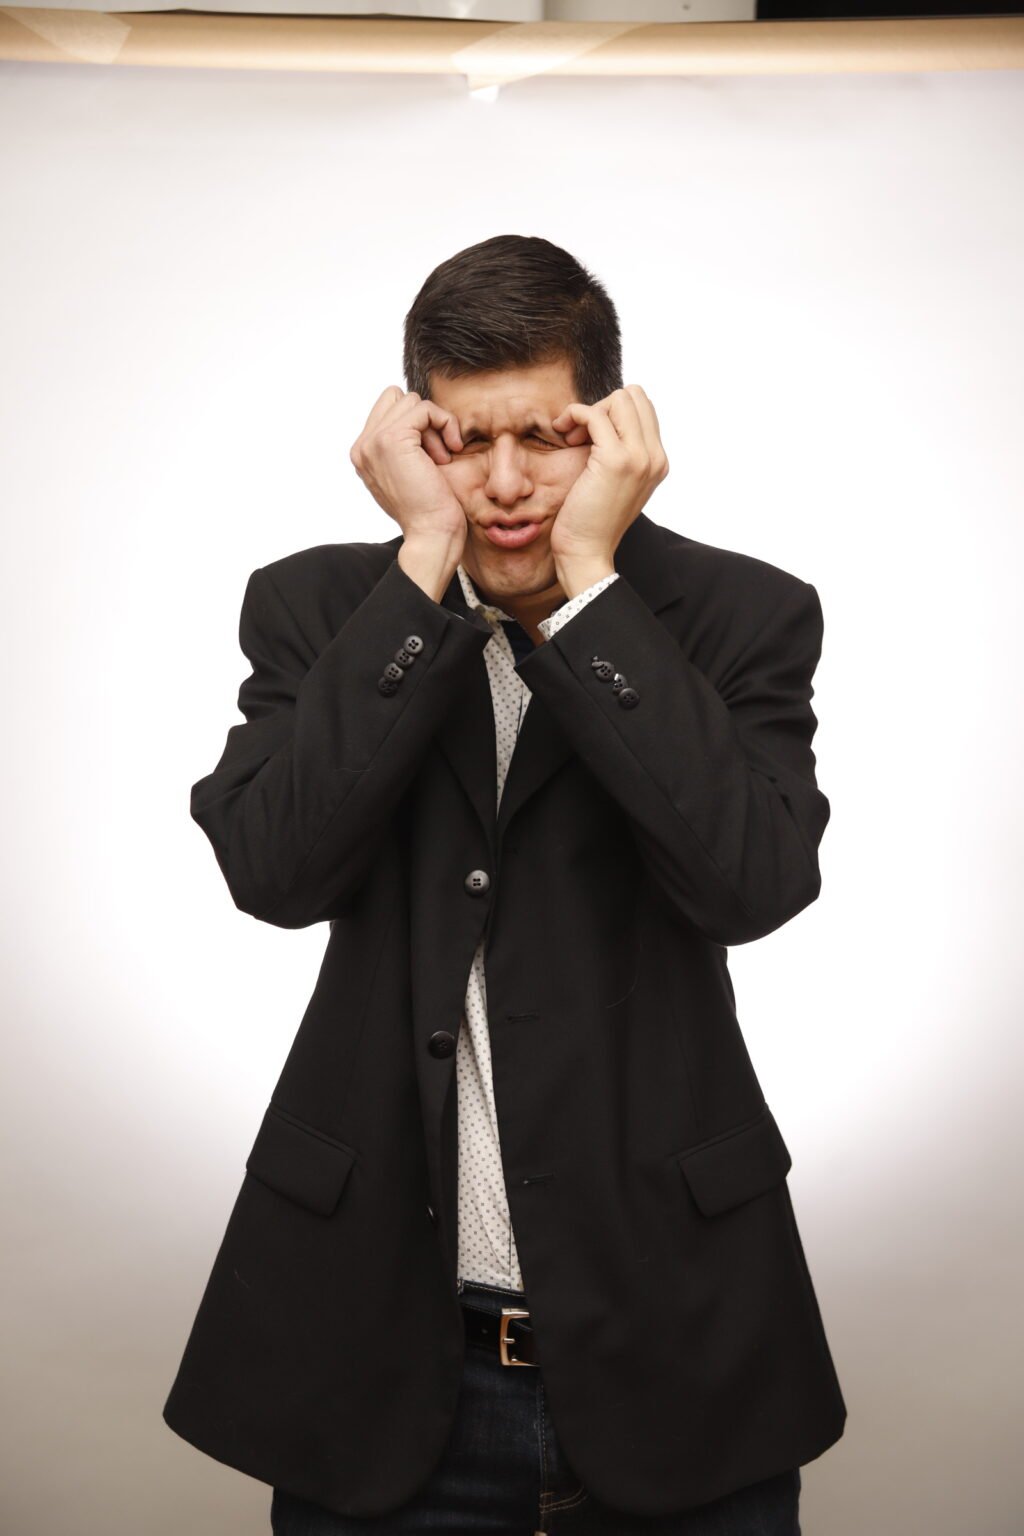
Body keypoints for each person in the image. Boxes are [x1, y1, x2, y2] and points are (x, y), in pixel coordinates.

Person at [163, 234, 846, 1535]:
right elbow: (276, 869)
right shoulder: (322, 611)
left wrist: (589, 590)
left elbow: (751, 883)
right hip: (378, 1358)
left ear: (615, 431)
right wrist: (422, 562)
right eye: (465, 442)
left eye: (546, 435)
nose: (508, 482)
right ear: (413, 440)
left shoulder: (740, 617)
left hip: (675, 1345)